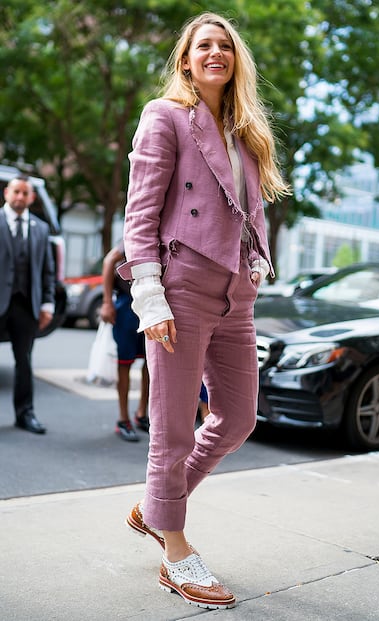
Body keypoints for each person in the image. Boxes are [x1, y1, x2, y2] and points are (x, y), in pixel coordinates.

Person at [118, 12, 290, 609]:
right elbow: (141, 213)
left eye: (225, 46)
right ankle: (175, 554)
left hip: (235, 293)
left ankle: (154, 506)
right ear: (186, 60)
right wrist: (149, 295)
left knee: (238, 417)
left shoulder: (245, 132)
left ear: (235, 60)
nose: (216, 53)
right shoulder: (163, 117)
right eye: (204, 46)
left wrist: (259, 262)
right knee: (169, 430)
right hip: (181, 287)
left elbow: (252, 211)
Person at [0, 175, 55, 434]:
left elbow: (47, 270)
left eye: (25, 193)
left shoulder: (41, 229)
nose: (20, 196)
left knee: (24, 361)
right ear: (7, 194)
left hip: (26, 306)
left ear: (31, 198)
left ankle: (25, 414)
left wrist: (48, 304)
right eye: (16, 192)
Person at [100, 241, 150, 442]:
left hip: (151, 306)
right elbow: (109, 259)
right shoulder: (135, 231)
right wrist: (106, 303)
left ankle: (141, 413)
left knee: (152, 363)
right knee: (125, 363)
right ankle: (123, 418)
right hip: (127, 306)